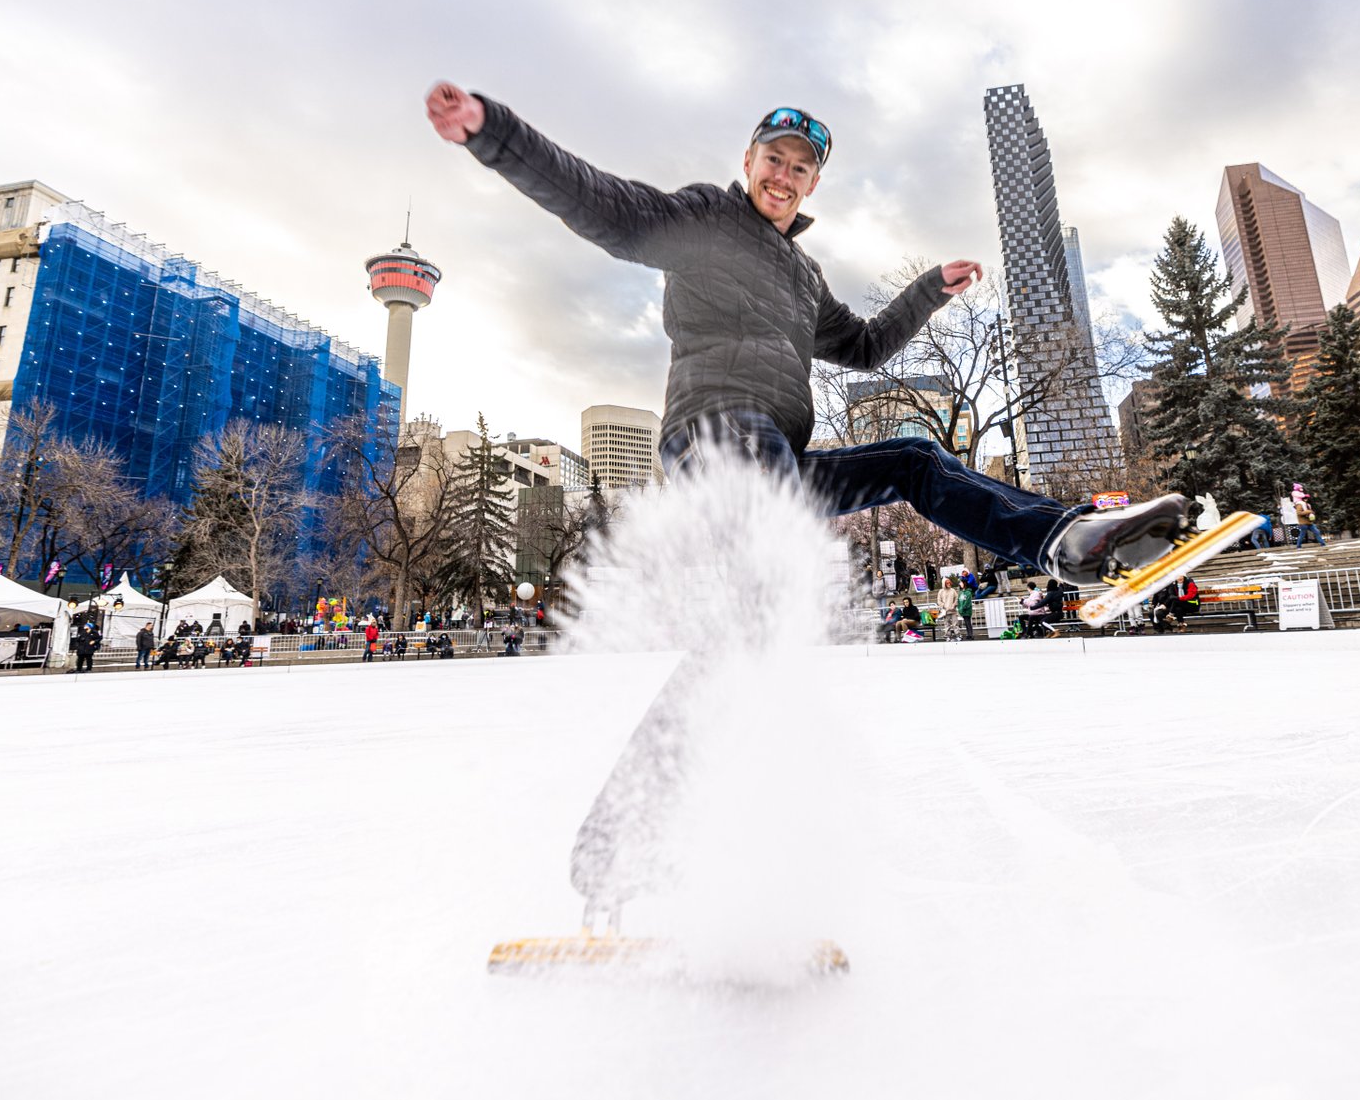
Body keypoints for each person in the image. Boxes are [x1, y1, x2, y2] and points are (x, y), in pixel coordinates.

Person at [428, 82, 1210, 926]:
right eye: (775, 160)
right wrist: (491, 131)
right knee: (758, 613)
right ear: (749, 162)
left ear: (812, 185)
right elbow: (602, 206)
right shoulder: (702, 220)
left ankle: (1066, 543)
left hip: (778, 461)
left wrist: (929, 292)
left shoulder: (804, 275)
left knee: (906, 465)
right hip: (716, 441)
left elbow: (867, 346)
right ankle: (628, 843)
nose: (786, 177)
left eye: (803, 169)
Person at [936, 576, 961, 642]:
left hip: (953, 610)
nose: (949, 584)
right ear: (944, 584)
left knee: (955, 623)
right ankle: (948, 635)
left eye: (949, 583)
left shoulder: (953, 590)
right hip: (945, 611)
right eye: (947, 583)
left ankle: (958, 635)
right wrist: (943, 605)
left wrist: (954, 604)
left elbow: (956, 598)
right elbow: (938, 600)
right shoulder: (941, 591)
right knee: (947, 624)